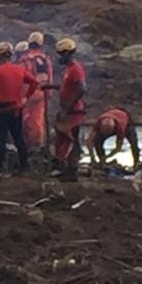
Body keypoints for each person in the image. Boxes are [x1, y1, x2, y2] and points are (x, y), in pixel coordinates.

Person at [0, 41, 39, 173]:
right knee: (18, 139)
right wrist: (25, 98)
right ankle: (24, 167)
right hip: (16, 110)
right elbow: (34, 82)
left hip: (1, 110)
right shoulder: (20, 69)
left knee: (1, 140)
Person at [53, 38, 87, 179]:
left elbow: (81, 89)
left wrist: (68, 107)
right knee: (64, 139)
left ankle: (72, 171)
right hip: (68, 109)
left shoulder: (76, 69)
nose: (59, 57)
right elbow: (69, 88)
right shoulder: (68, 69)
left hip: (73, 111)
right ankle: (66, 168)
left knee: (73, 139)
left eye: (61, 54)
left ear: (68, 53)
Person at [19, 31, 55, 152]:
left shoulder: (25, 59)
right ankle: (38, 145)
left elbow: (22, 77)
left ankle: (29, 146)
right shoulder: (45, 59)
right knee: (38, 121)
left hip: (28, 93)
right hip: (42, 93)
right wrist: (49, 93)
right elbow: (50, 76)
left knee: (25, 119)